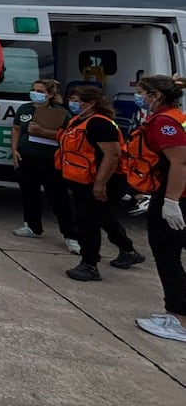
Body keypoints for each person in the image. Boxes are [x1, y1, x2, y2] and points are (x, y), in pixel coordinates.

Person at [58, 85, 146, 281]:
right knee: (104, 217)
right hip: (82, 180)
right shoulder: (78, 121)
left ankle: (89, 264)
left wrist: (100, 183)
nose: (73, 104)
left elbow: (113, 155)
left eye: (77, 100)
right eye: (71, 99)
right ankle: (128, 251)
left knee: (87, 221)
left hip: (104, 181)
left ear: (91, 103)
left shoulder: (100, 124)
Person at [129, 75, 186, 342]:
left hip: (177, 194)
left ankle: (180, 320)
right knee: (169, 254)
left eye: (141, 93)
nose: (138, 98)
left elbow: (180, 163)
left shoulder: (164, 122)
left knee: (167, 254)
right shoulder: (176, 115)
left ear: (156, 96)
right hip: (173, 191)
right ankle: (175, 312)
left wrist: (172, 201)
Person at [10, 79, 80, 254]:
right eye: (33, 89)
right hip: (26, 157)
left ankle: (71, 236)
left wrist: (43, 131)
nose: (36, 93)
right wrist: (14, 150)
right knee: (29, 194)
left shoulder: (61, 113)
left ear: (49, 94)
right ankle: (33, 226)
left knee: (59, 199)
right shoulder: (24, 109)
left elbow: (67, 137)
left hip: (50, 160)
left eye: (40, 91)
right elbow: (17, 129)